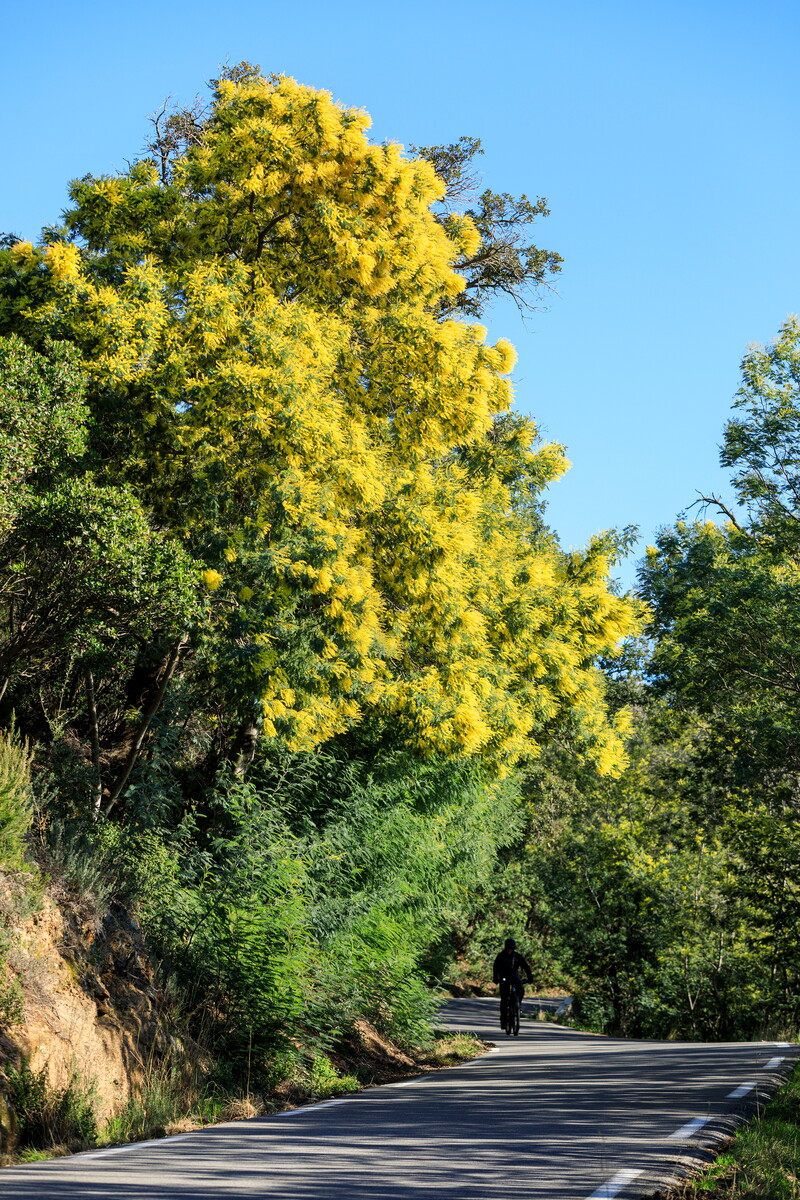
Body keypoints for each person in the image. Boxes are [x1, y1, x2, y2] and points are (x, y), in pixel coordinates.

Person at [492, 938, 533, 1022]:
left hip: (515, 977)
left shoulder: (517, 956)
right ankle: (503, 1017)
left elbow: (526, 967)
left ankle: (518, 1005)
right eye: (508, 948)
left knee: (521, 989)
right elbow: (495, 968)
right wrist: (496, 978)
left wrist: (530, 978)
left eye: (511, 949)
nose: (509, 950)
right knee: (504, 998)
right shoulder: (501, 956)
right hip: (504, 978)